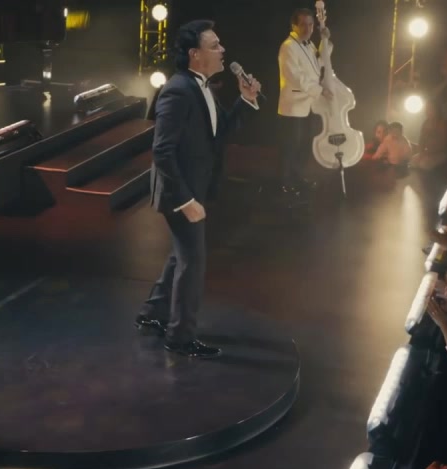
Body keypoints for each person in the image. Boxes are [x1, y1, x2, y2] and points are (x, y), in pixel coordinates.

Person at [135, 19, 261, 358]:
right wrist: (186, 200)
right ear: (195, 54)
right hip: (179, 192)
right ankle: (179, 337)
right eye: (215, 45)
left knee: (182, 255)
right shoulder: (178, 90)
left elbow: (220, 135)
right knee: (193, 262)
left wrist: (245, 99)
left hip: (194, 186)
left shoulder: (202, 87)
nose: (222, 50)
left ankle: (152, 313)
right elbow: (162, 151)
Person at [277, 7, 331, 195]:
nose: (308, 28)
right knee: (291, 145)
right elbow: (296, 76)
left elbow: (321, 63)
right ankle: (285, 182)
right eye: (303, 24)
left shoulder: (309, 45)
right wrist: (320, 90)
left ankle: (298, 178)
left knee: (305, 144)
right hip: (293, 105)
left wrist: (325, 40)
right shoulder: (288, 46)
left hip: (309, 104)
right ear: (294, 26)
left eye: (310, 24)